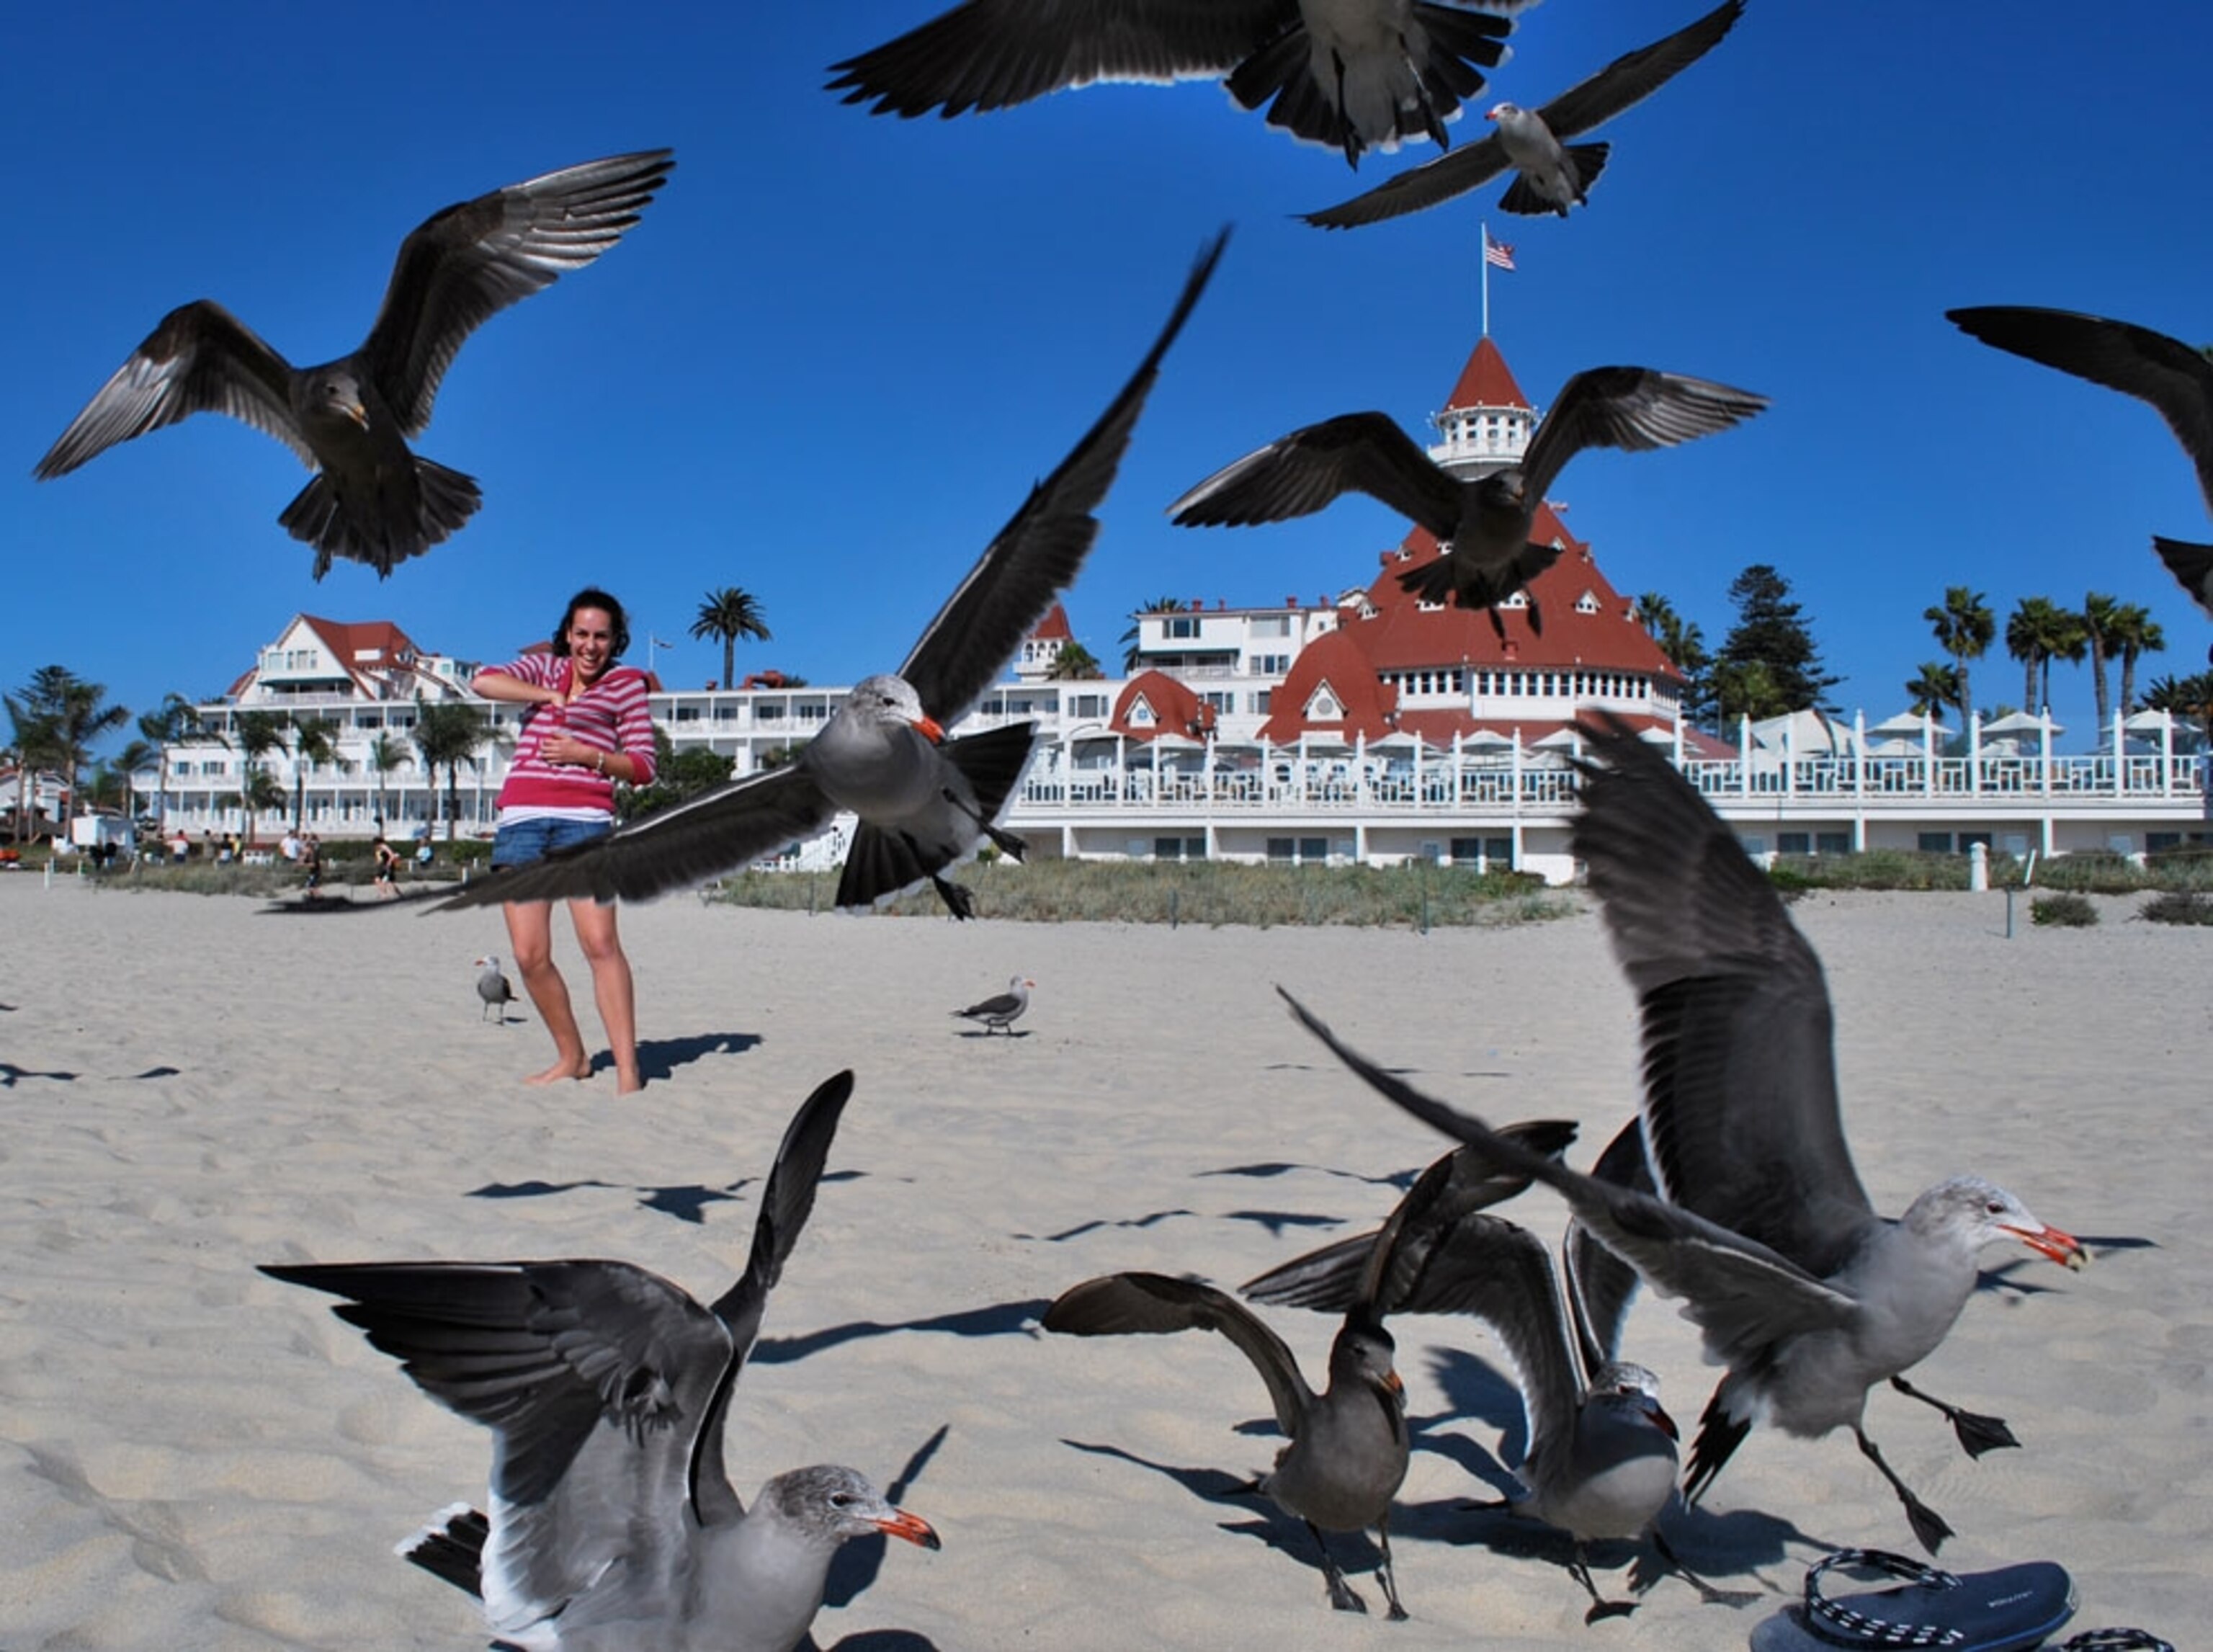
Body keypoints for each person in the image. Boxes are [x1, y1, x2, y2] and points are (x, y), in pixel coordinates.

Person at [471, 586, 656, 1094]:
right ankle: (572, 1055)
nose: (590, 646)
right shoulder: (546, 669)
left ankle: (627, 1070)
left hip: (586, 821)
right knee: (530, 955)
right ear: (568, 635)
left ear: (616, 639)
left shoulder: (626, 684)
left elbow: (643, 765)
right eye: (581, 634)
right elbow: (482, 681)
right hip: (523, 820)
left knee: (600, 944)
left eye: (601, 636)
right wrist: (547, 696)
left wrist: (585, 753)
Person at [371, 833, 399, 898]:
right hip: (384, 867)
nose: (375, 846)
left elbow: (392, 855)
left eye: (375, 844)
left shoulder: (384, 847)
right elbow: (380, 858)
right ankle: (397, 894)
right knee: (389, 882)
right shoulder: (379, 849)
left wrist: (389, 863)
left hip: (388, 867)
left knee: (382, 880)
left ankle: (384, 894)